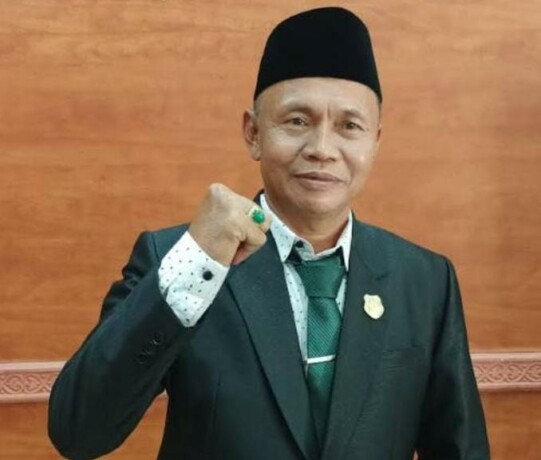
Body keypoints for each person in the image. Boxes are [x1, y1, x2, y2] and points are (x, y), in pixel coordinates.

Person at [48, 7, 490, 460]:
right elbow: (78, 432)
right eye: (297, 121)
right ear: (253, 133)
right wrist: (197, 262)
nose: (322, 149)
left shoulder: (424, 279)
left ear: (375, 141)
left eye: (349, 126)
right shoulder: (181, 260)